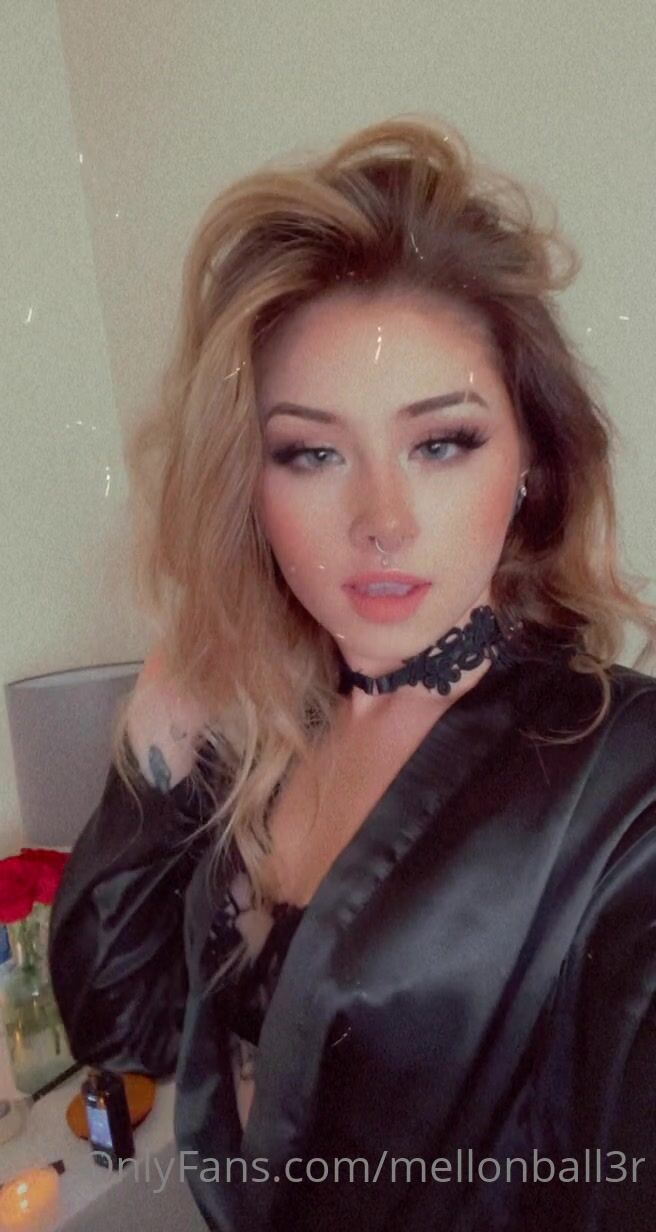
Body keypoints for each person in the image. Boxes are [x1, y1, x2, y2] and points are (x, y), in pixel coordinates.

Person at [48, 115, 656, 1231]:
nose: (381, 519)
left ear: (531, 460)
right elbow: (120, 1016)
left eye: (440, 442)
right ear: (250, 480)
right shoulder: (266, 724)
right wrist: (168, 705)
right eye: (313, 452)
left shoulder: (621, 776)